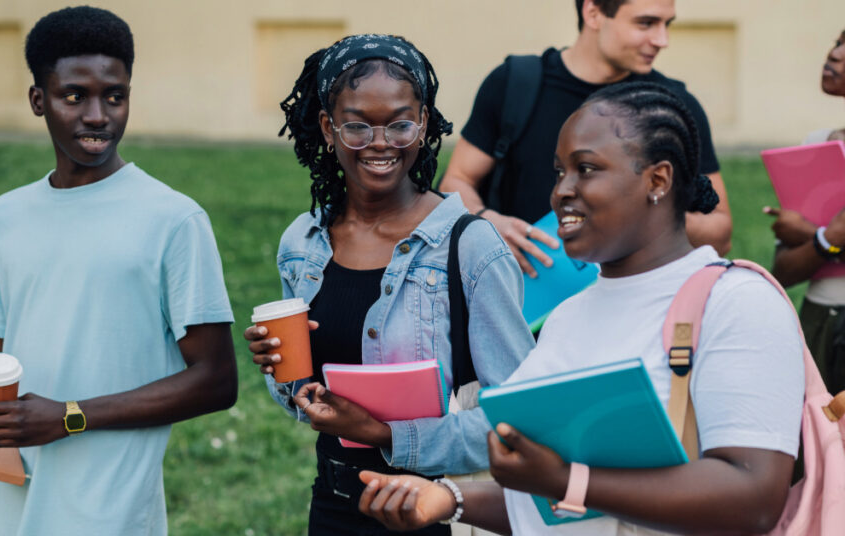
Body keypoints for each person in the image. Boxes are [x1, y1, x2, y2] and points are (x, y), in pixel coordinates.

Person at [358, 81, 804, 535]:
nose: (561, 192)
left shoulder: (735, 303)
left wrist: (568, 481)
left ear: (658, 180)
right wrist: (446, 499)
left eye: (586, 169)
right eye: (559, 172)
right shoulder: (567, 317)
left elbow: (755, 498)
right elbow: (548, 502)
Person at [0, 7, 238, 535]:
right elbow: (5, 380)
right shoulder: (3, 218)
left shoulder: (174, 219)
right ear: (38, 100)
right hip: (20, 514)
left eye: (115, 95)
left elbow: (216, 382)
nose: (98, 114)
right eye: (74, 96)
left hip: (114, 514)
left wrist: (71, 415)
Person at [244, 34, 534, 535]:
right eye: (357, 125)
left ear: (423, 125)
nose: (381, 144)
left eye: (399, 124)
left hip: (443, 509)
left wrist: (383, 435)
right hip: (335, 505)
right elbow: (302, 396)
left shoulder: (469, 246)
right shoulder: (303, 242)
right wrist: (282, 373)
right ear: (327, 128)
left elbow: (519, 418)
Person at [440, 0, 731, 278]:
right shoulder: (514, 84)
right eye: (646, 23)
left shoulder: (673, 107)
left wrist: (641, 217)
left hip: (633, 306)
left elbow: (720, 230)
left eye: (666, 24)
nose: (662, 39)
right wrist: (486, 223)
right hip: (522, 303)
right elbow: (456, 181)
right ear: (593, 12)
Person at [766, 27, 845, 394]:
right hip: (816, 321)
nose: (835, 54)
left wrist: (814, 236)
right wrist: (824, 238)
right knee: (815, 446)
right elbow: (783, 270)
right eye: (839, 42)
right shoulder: (817, 146)